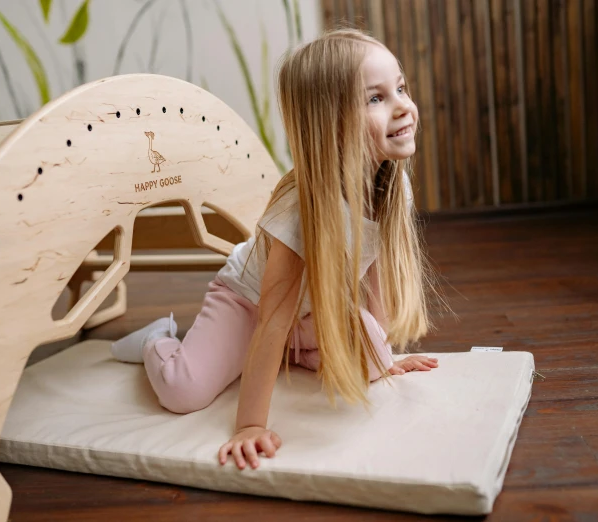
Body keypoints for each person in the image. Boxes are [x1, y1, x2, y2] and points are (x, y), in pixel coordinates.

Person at [110, 27, 448, 472]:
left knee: (373, 361)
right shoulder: (300, 210)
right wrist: (250, 424)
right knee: (183, 391)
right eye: (376, 98)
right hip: (251, 304)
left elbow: (374, 274)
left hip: (310, 312)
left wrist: (382, 353)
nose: (404, 105)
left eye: (400, 88)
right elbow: (272, 318)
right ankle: (159, 337)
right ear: (332, 123)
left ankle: (294, 353)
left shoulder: (392, 184)